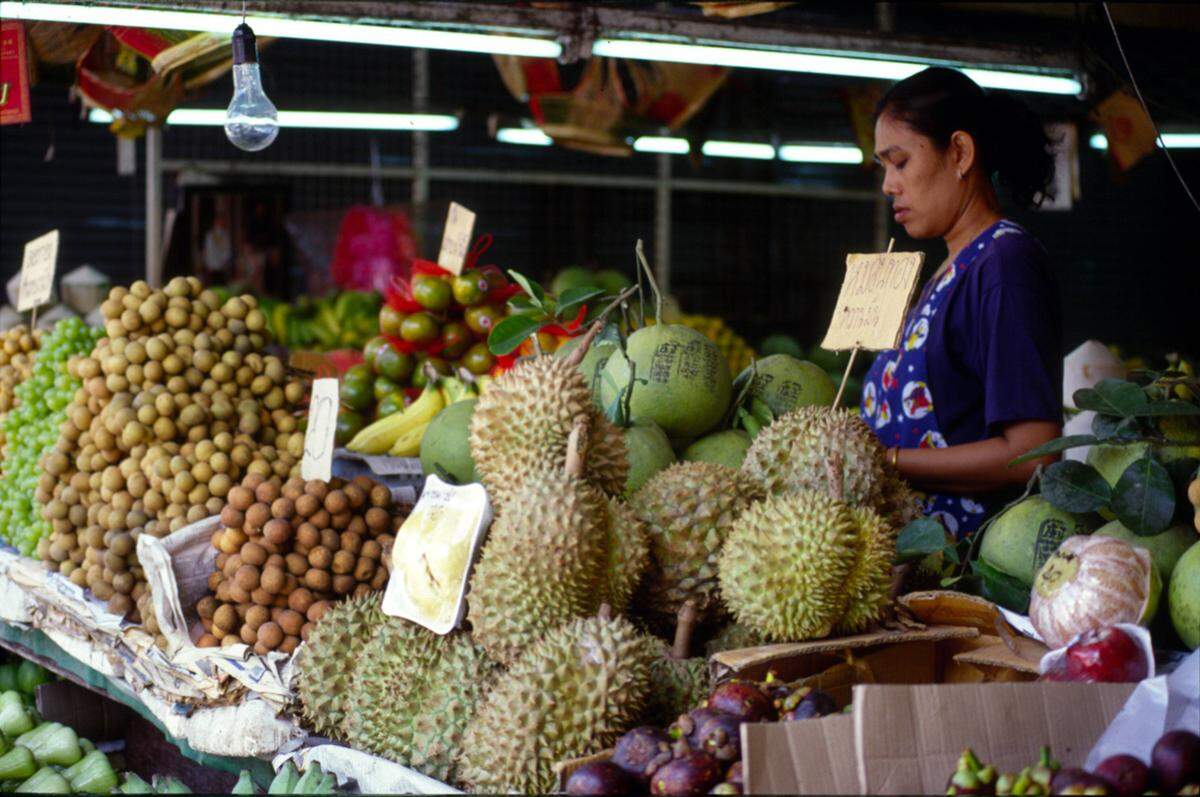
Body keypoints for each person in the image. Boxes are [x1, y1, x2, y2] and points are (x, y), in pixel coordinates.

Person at [861, 67, 1062, 538]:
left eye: (900, 162)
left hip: (966, 566)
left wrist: (882, 461)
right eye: (883, 168)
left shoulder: (1005, 263)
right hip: (909, 562)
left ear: (960, 152)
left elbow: (1034, 450)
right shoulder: (949, 269)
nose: (888, 185)